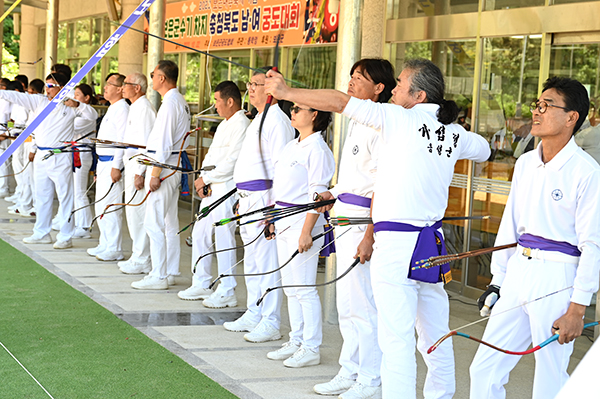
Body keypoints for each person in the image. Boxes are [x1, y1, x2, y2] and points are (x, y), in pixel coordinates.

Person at [265, 58, 490, 398]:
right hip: (430, 242)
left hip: (399, 244)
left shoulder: (400, 118)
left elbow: (340, 102)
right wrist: (447, 131)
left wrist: (286, 91)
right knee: (434, 333)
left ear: (418, 94)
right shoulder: (452, 133)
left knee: (396, 336)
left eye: (401, 83)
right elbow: (484, 150)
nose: (395, 88)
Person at [469, 77, 600, 399]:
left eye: (547, 105)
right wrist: (498, 280)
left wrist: (577, 309)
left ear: (572, 117)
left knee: (550, 372)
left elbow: (593, 243)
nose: (537, 112)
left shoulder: (586, 171)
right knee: (485, 366)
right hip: (519, 270)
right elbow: (510, 227)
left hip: (558, 274)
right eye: (537, 105)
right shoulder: (526, 162)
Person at [313, 58, 396, 398]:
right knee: (347, 304)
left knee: (364, 304)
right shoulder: (357, 123)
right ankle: (350, 370)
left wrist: (370, 234)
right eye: (352, 75)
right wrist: (333, 192)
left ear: (379, 88)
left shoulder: (382, 125)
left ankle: (370, 379)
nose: (352, 81)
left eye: (360, 77)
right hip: (344, 215)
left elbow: (382, 186)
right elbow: (355, 178)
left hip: (363, 222)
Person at [222, 67, 294, 343]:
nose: (251, 88)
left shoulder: (277, 120)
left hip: (264, 198)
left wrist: (273, 210)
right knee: (252, 261)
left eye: (258, 84)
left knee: (266, 263)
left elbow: (280, 169)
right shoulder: (259, 118)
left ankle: (271, 320)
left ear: (272, 89)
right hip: (248, 197)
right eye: (250, 84)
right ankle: (255, 311)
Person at [265, 104, 334, 368]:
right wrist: (272, 218)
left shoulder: (318, 149)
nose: (292, 113)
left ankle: (311, 347)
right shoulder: (292, 145)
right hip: (283, 219)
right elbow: (281, 187)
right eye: (291, 109)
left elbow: (318, 196)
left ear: (315, 114)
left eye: (298, 109)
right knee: (291, 288)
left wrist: (306, 232)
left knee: (304, 288)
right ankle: (296, 340)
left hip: (302, 223)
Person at [0, 72, 97, 248]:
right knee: (42, 195)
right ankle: (41, 232)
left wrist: (77, 104)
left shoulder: (71, 106)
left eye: (51, 86)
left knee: (65, 196)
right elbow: (16, 96)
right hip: (42, 155)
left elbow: (92, 116)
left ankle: (65, 236)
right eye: (46, 86)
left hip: (60, 156)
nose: (47, 89)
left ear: (62, 87)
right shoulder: (39, 101)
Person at [178, 81, 249, 306]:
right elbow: (211, 157)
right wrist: (202, 178)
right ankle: (202, 282)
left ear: (230, 101)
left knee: (224, 237)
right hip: (211, 186)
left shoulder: (242, 124)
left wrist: (206, 178)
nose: (215, 105)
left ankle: (227, 289)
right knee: (200, 233)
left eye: (217, 100)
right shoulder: (225, 124)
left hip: (227, 187)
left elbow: (232, 162)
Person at [131, 60, 191, 290]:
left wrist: (154, 173)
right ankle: (171, 270)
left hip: (164, 167)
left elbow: (164, 143)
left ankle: (159, 275)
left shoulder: (170, 103)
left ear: (162, 78)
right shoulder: (177, 100)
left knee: (153, 221)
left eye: (154, 74)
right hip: (171, 165)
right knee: (169, 222)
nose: (152, 77)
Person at [117, 72, 156, 274]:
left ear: (137, 88)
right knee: (132, 213)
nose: (122, 87)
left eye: (126, 84)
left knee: (139, 213)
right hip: (131, 165)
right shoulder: (135, 107)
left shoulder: (145, 109)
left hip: (138, 167)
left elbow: (146, 144)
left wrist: (140, 171)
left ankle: (143, 259)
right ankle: (137, 255)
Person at [87, 73, 128, 261]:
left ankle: (114, 247)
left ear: (120, 89)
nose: (105, 88)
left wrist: (117, 166)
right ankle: (104, 243)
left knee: (111, 205)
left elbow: (122, 141)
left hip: (112, 161)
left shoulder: (122, 109)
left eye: (110, 84)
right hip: (103, 161)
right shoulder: (113, 108)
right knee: (101, 204)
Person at [71, 84, 99, 238]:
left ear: (86, 98)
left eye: (78, 95)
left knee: (80, 191)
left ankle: (84, 226)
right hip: (76, 152)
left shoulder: (88, 114)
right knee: (76, 190)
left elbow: (70, 127)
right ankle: (80, 223)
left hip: (82, 153)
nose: (74, 98)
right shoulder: (77, 113)